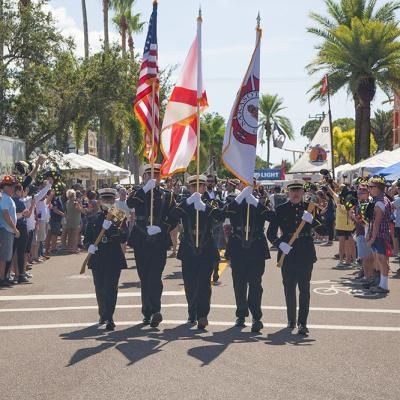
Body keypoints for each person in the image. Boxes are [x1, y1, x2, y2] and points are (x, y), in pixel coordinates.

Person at [168, 175, 224, 329]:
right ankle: (191, 312)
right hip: (188, 247)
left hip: (206, 247)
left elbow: (220, 216)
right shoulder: (185, 203)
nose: (197, 189)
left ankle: (202, 315)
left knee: (204, 283)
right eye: (193, 186)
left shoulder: (211, 202)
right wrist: (188, 202)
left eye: (200, 186)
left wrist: (204, 207)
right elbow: (173, 215)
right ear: (189, 188)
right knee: (190, 282)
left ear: (205, 188)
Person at [267, 180, 321, 336]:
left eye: (298, 190)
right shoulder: (280, 209)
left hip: (305, 251)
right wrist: (279, 244)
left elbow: (324, 230)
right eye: (293, 191)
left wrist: (312, 220)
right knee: (289, 287)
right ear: (288, 193)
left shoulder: (310, 209)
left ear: (303, 192)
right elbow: (270, 233)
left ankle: (302, 323)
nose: (296, 193)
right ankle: (291, 319)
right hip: (287, 252)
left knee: (304, 289)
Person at [127, 164, 175, 328]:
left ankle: (155, 310)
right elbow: (130, 203)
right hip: (141, 239)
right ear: (144, 177)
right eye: (150, 175)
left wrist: (162, 228)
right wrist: (144, 189)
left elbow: (173, 216)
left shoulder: (167, 196)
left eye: (157, 175)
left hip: (159, 240)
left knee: (155, 276)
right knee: (144, 276)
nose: (154, 178)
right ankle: (147, 311)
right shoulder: (138, 193)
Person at [225, 185, 274, 332]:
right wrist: (238, 200)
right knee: (239, 283)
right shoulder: (233, 201)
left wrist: (257, 204)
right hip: (238, 246)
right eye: (243, 184)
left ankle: (256, 317)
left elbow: (272, 217)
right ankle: (241, 314)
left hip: (256, 247)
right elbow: (222, 214)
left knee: (255, 285)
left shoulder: (260, 202)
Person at [85, 188, 128, 331]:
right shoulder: (93, 218)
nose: (107, 202)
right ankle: (103, 313)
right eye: (105, 200)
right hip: (97, 258)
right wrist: (89, 246)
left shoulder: (119, 216)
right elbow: (87, 238)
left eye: (110, 200)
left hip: (113, 257)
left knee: (111, 288)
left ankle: (110, 316)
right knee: (100, 288)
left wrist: (112, 229)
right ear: (100, 201)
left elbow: (124, 237)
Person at [367, 176, 392, 294]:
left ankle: (384, 286)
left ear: (377, 188)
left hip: (380, 235)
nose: (369, 189)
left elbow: (376, 223)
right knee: (381, 259)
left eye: (371, 187)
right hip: (382, 234)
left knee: (382, 260)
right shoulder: (382, 199)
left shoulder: (380, 202)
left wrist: (372, 237)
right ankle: (382, 284)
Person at [0, 176, 20, 287]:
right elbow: (6, 214)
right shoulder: (4, 198)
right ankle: (2, 278)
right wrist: (14, 228)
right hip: (6, 229)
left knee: (6, 256)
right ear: (5, 187)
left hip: (7, 229)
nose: (14, 188)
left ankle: (4, 277)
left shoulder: (7, 197)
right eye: (12, 186)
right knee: (4, 256)